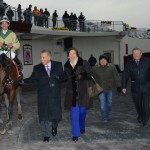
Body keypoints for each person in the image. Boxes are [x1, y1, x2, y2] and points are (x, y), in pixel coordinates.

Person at [16, 50, 63, 142]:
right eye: (41, 57)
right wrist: (22, 81)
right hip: (43, 95)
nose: (41, 59)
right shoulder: (37, 68)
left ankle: (54, 126)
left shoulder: (58, 65)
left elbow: (63, 76)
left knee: (55, 114)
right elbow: (32, 79)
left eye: (43, 57)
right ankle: (46, 134)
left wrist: (57, 77)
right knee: (43, 115)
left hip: (54, 94)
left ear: (49, 57)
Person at [63, 47, 91, 141]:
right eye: (70, 54)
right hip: (72, 93)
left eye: (74, 53)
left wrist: (81, 75)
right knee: (74, 114)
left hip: (83, 91)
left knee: (82, 112)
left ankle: (82, 125)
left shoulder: (84, 63)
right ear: (68, 56)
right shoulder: (66, 65)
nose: (72, 55)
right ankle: (75, 134)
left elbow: (89, 74)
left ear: (77, 54)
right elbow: (66, 77)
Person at [122, 48, 150, 127]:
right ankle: (140, 115)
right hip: (135, 88)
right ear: (132, 55)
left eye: (137, 53)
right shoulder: (129, 63)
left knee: (146, 106)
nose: (136, 55)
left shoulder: (148, 61)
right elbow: (125, 75)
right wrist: (123, 86)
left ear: (141, 54)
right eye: (134, 53)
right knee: (138, 105)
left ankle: (145, 120)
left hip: (146, 87)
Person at [92, 55, 121, 122]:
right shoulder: (95, 68)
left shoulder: (112, 67)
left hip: (109, 88)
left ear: (107, 60)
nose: (103, 61)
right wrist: (94, 84)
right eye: (101, 60)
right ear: (99, 61)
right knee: (102, 104)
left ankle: (107, 114)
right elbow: (92, 77)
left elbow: (116, 76)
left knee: (109, 103)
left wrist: (118, 86)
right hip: (100, 89)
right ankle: (104, 117)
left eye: (104, 60)